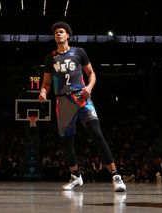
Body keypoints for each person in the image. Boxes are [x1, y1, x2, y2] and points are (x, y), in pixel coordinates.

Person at [38, 21, 127, 193]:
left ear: (68, 35)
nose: (58, 34)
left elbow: (91, 74)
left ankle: (116, 176)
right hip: (62, 101)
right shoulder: (50, 58)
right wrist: (43, 92)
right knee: (67, 143)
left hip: (81, 97)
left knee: (97, 134)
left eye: (61, 32)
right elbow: (46, 83)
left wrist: (89, 88)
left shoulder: (79, 52)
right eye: (56, 32)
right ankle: (75, 176)